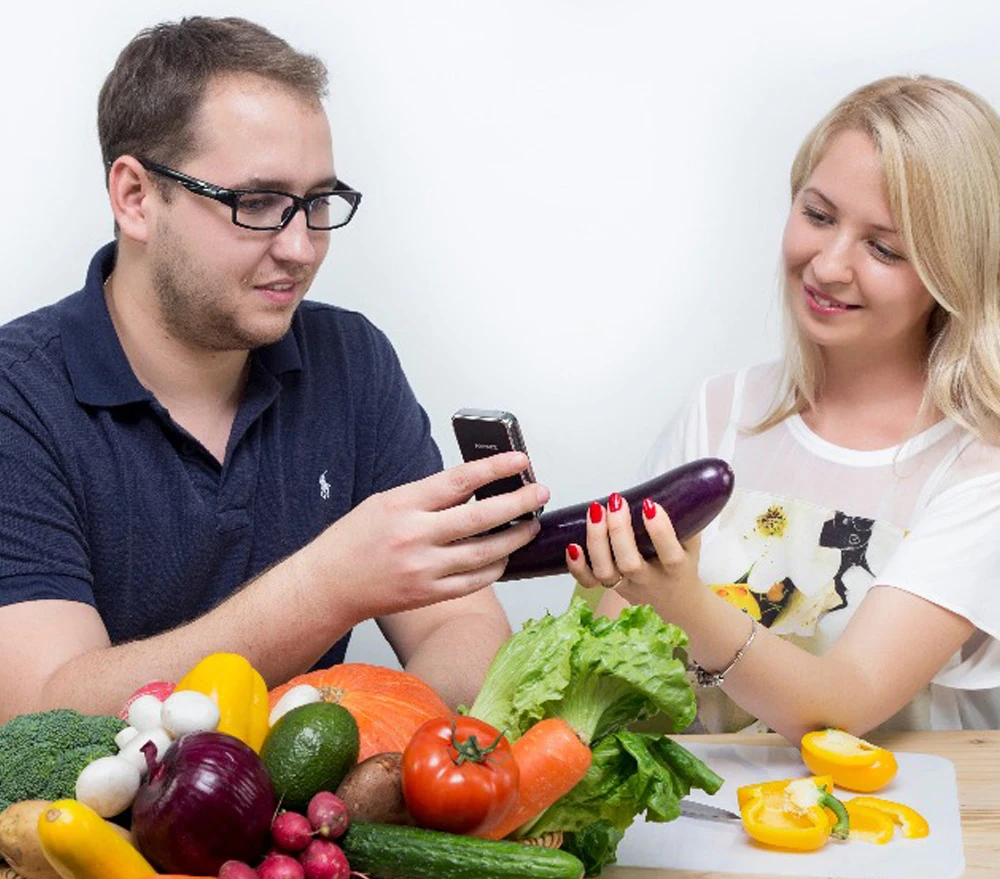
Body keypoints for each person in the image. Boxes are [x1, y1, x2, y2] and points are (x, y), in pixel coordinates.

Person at [0, 16, 549, 723]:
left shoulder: (352, 360)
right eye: (256, 203)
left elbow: (461, 626)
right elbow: (41, 713)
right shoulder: (18, 395)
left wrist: (366, 756)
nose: (301, 248)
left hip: (316, 795)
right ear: (135, 197)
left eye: (317, 203)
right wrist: (326, 586)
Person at [568, 75, 1000, 741]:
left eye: (884, 248)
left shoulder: (980, 472)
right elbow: (605, 669)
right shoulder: (719, 413)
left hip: (893, 808)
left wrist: (683, 603)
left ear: (954, 271)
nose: (828, 266)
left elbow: (846, 705)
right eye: (818, 216)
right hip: (705, 809)